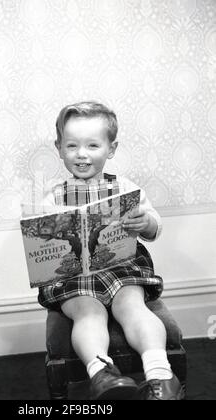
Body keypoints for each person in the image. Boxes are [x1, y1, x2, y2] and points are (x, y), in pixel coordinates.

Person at [39, 101, 184, 400]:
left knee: (132, 307)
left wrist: (144, 223)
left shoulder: (125, 188)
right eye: (72, 146)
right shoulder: (53, 196)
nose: (82, 154)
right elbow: (42, 243)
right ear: (59, 147)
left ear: (111, 148)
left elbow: (155, 227)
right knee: (88, 313)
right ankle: (102, 374)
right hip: (73, 278)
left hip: (120, 267)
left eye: (93, 145)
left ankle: (160, 375)